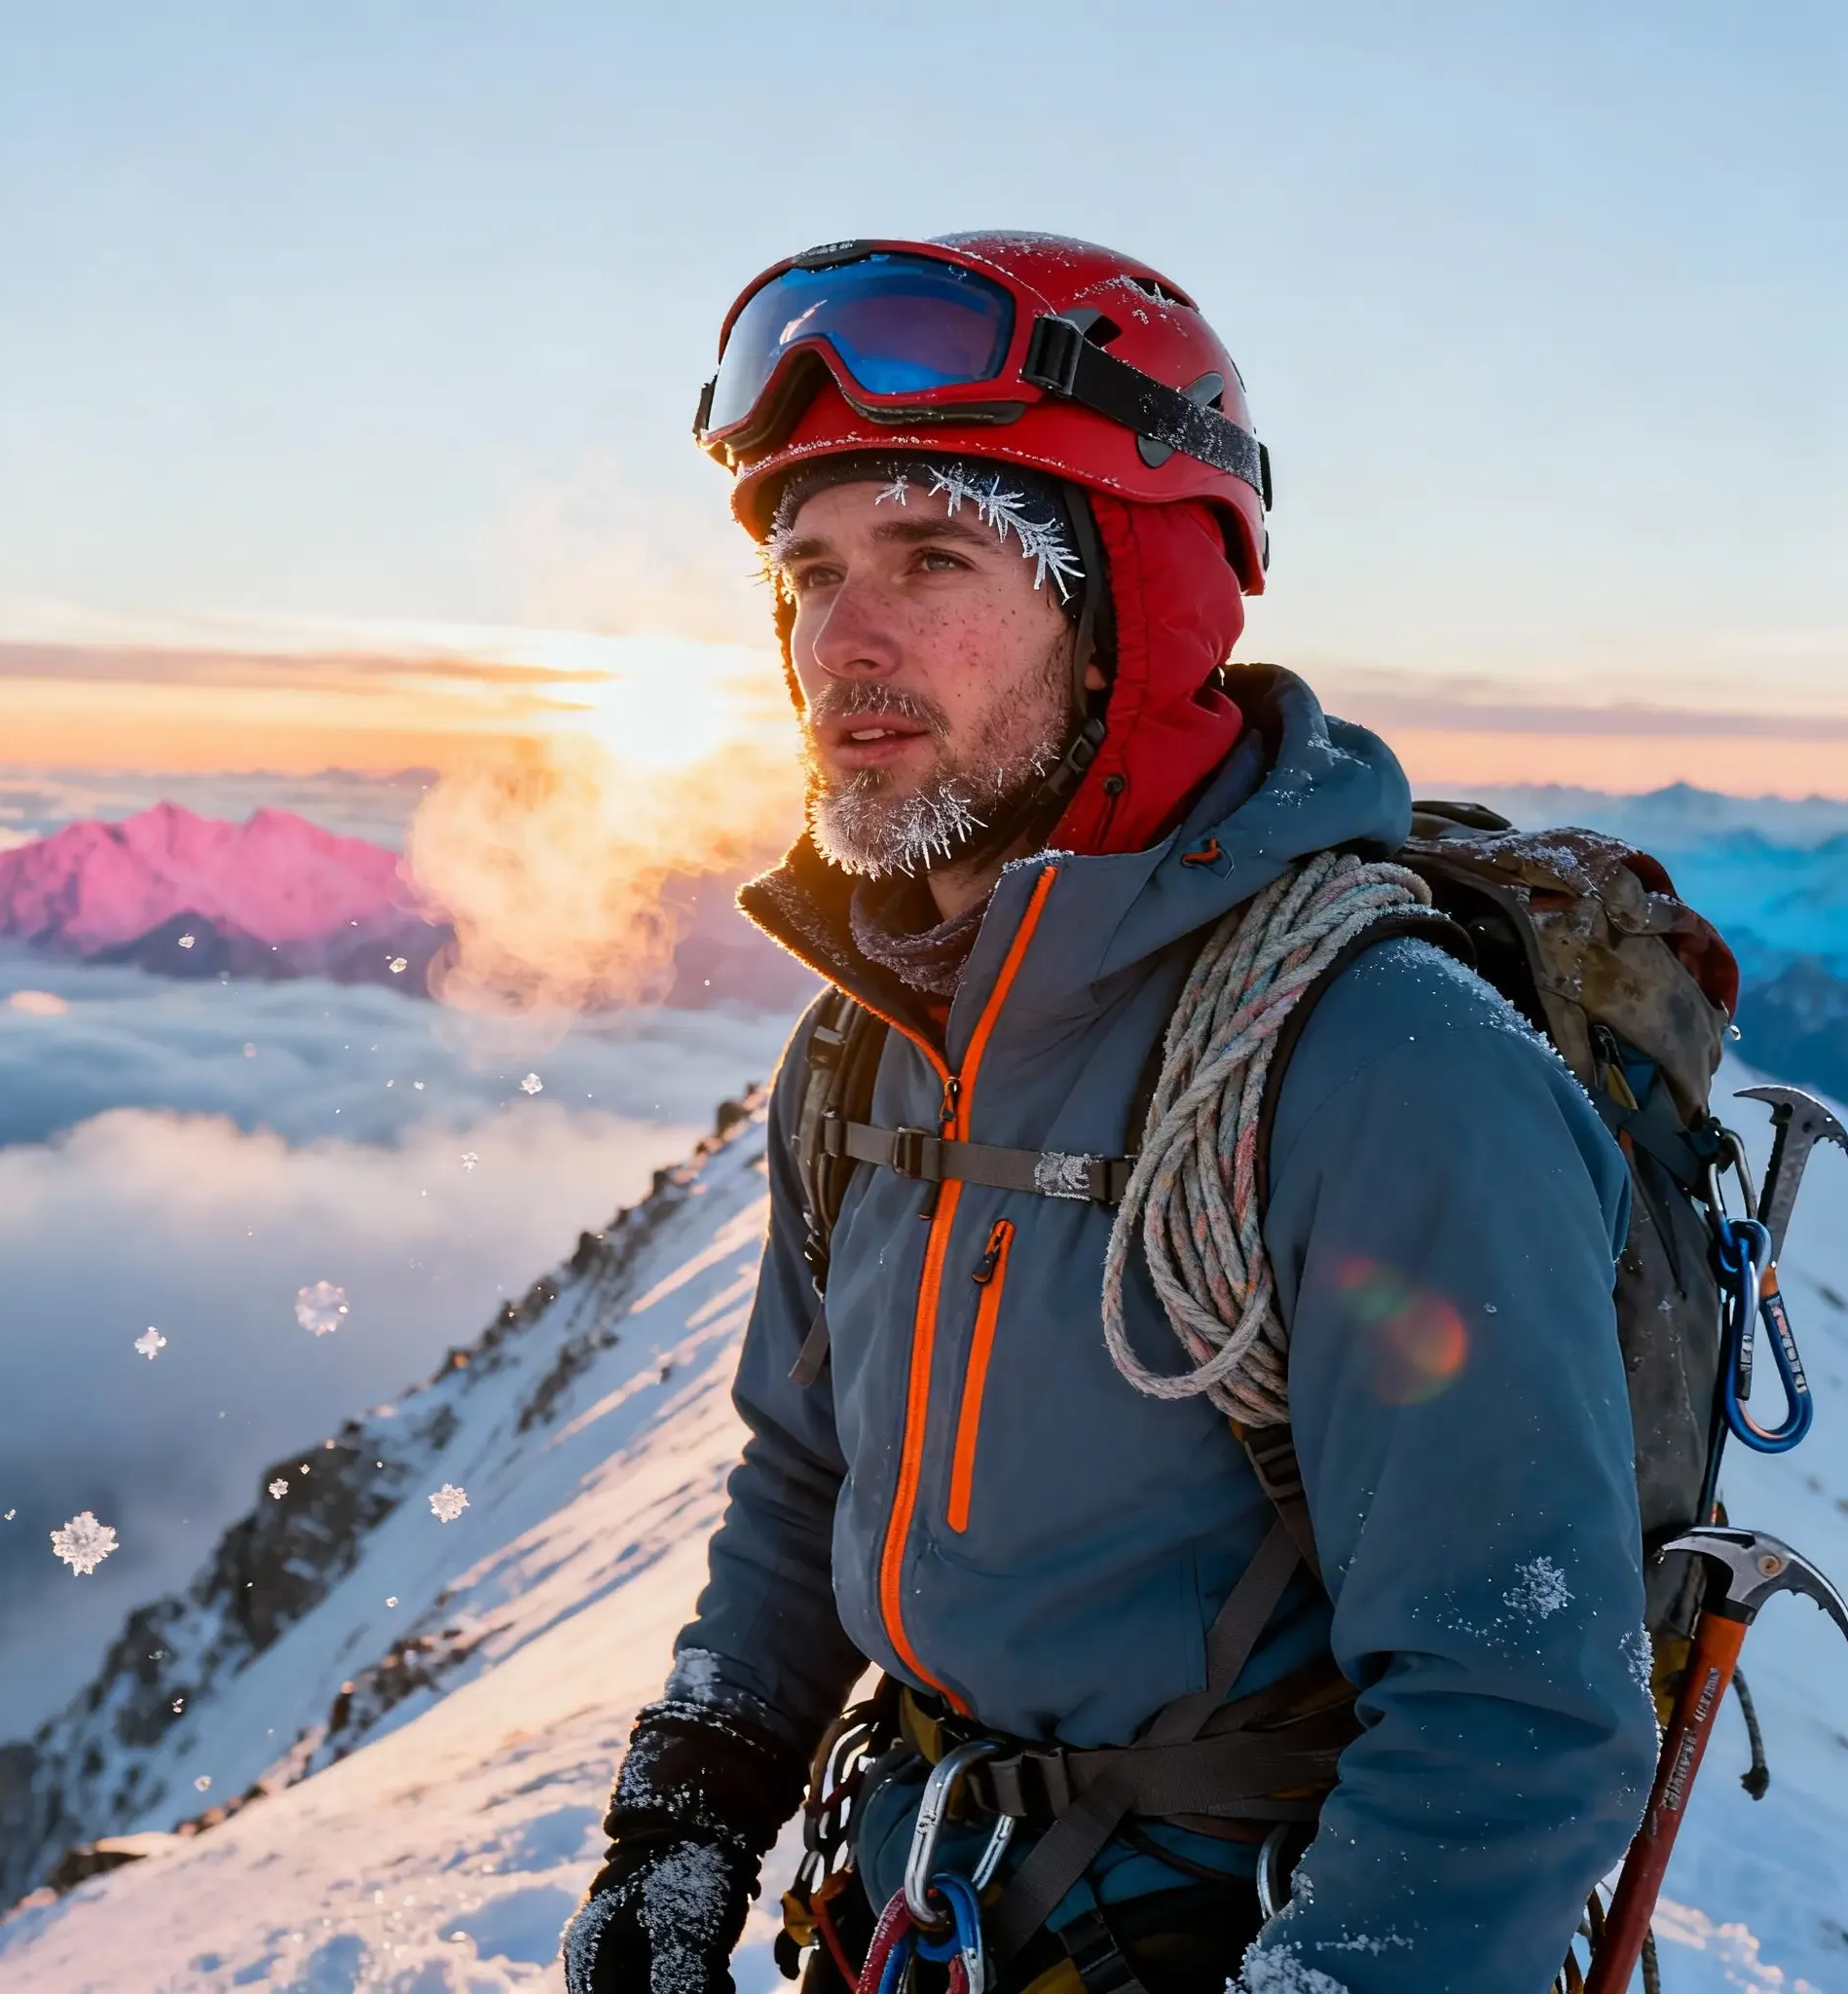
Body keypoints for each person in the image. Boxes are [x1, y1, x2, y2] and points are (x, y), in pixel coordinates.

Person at [562, 233, 1657, 1994]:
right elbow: (806, 1468)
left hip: (1226, 1932)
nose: (840, 639)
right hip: (923, 1899)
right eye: (809, 568)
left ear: (1127, 619)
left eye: (932, 556)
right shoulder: (872, 1043)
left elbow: (1511, 1711)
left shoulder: (1379, 1063)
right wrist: (686, 1816)